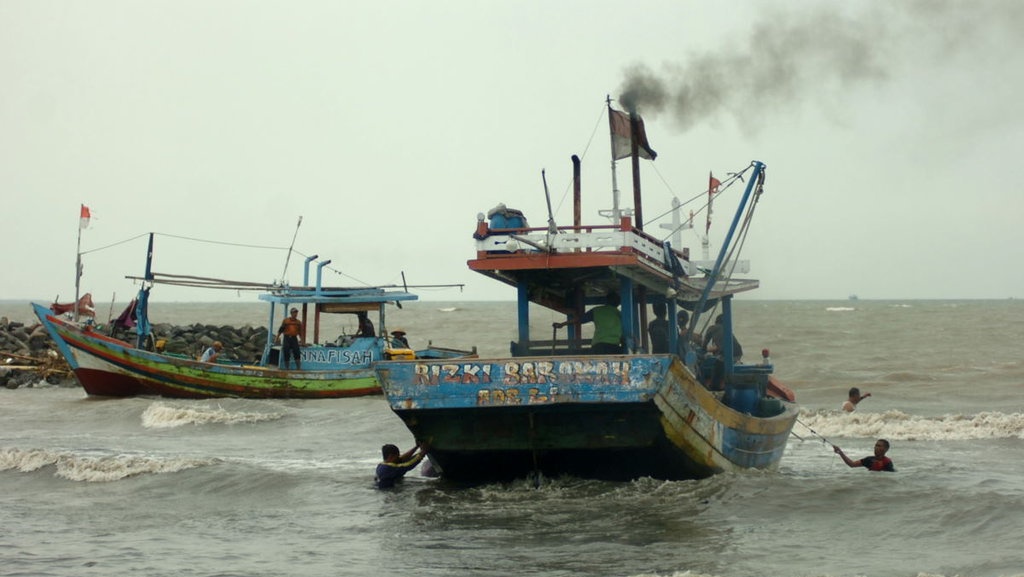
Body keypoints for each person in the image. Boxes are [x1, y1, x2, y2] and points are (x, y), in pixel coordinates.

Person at [552, 292, 623, 354]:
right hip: (614, 347)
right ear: (618, 303)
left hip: (598, 347)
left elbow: (579, 320)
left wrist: (562, 324)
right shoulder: (620, 315)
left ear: (607, 300)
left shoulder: (597, 310)